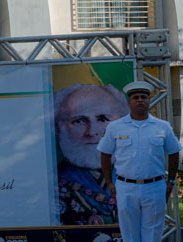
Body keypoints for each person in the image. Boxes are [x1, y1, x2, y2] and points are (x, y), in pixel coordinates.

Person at [98, 81, 181, 242]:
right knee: (130, 231)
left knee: (152, 231)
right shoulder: (116, 127)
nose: (140, 101)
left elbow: (174, 153)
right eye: (136, 98)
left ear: (149, 101)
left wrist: (171, 181)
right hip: (126, 186)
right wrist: (109, 183)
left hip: (155, 185)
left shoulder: (162, 127)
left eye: (144, 97)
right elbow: (105, 155)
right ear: (129, 102)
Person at [54, 84, 128, 225]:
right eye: (79, 121)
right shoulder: (50, 183)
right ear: (58, 129)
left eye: (103, 119)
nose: (92, 132)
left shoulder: (135, 174)